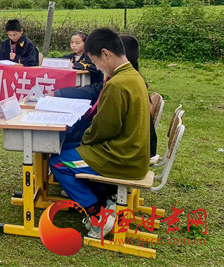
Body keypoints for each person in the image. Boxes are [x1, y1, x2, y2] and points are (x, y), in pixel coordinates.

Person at [49, 28, 150, 240]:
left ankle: (97, 215)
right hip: (132, 153)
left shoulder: (116, 84)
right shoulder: (134, 76)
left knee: (57, 162)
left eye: (95, 61)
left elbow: (104, 128)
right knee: (66, 149)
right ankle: (104, 202)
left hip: (121, 158)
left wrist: (84, 140)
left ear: (106, 53)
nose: (97, 67)